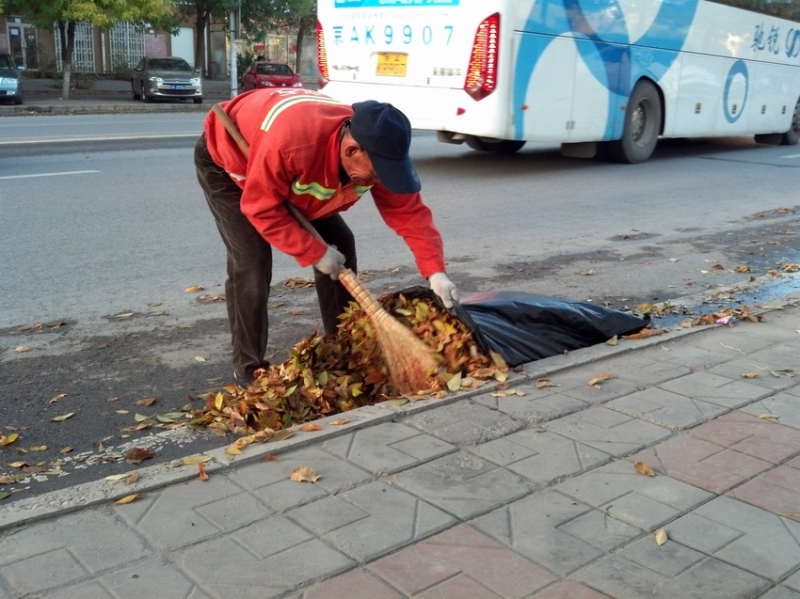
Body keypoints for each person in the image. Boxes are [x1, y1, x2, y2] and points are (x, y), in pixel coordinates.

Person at [195, 88, 459, 387]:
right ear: (351, 151)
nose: (377, 183)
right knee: (252, 262)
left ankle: (342, 346)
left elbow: (410, 213)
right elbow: (262, 208)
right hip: (232, 161)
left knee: (341, 243)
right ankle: (248, 368)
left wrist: (436, 271)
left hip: (290, 172)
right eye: (374, 177)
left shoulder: (377, 153)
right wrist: (314, 253)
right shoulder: (293, 143)